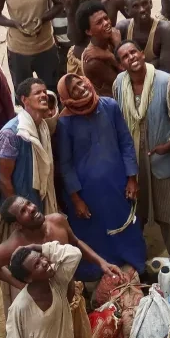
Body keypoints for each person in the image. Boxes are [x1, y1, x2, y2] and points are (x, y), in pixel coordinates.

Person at [0, 195, 112, 338]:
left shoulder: (57, 221)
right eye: (23, 211)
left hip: (68, 301)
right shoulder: (15, 245)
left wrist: (101, 262)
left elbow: (75, 243)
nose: (31, 208)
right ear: (17, 224)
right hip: (44, 315)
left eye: (28, 203)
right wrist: (19, 284)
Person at [54, 72, 144, 276]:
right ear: (66, 98)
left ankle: (135, 267)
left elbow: (126, 142)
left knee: (126, 226)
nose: (81, 89)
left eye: (80, 83)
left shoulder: (110, 106)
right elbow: (65, 165)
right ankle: (99, 275)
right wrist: (76, 199)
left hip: (117, 184)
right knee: (95, 233)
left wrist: (131, 178)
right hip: (88, 193)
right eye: (74, 90)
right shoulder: (64, 123)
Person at [114, 40, 170, 258]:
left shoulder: (167, 83)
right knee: (136, 213)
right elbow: (119, 122)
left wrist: (169, 144)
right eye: (125, 56)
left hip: (162, 162)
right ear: (121, 64)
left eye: (133, 52)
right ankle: (137, 261)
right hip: (133, 163)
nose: (131, 57)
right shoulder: (119, 84)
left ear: (142, 54)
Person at [0, 77, 60, 216]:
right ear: (24, 100)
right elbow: (4, 180)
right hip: (23, 209)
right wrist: (19, 214)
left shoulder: (42, 126)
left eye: (44, 92)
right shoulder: (12, 134)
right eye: (37, 93)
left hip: (39, 200)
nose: (44, 95)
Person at [60, 0, 127, 55]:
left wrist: (119, 43)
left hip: (111, 49)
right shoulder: (78, 7)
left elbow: (133, 23)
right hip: (88, 55)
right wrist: (69, 11)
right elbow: (76, 40)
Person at [73, 0, 126, 97]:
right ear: (88, 31)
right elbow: (125, 83)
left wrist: (117, 45)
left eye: (106, 18)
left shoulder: (112, 37)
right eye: (99, 22)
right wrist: (111, 55)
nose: (106, 23)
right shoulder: (92, 61)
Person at [117, 0, 170, 74]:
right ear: (127, 11)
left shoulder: (164, 29)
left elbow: (165, 70)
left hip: (157, 79)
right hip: (133, 80)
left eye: (144, 4)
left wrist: (135, 66)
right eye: (135, 6)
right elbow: (119, 65)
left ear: (151, 4)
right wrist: (155, 63)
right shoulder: (123, 27)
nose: (142, 9)